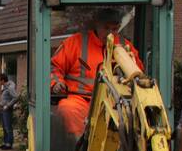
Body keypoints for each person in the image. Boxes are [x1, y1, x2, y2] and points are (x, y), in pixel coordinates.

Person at [51, 7, 143, 136]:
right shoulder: (75, 43)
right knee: (68, 109)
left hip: (114, 101)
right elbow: (54, 67)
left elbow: (138, 72)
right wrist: (56, 83)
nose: (110, 33)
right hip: (80, 99)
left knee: (132, 115)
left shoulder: (125, 47)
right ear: (96, 25)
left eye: (115, 29)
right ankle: (79, 146)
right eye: (106, 28)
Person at [0, 73, 18, 150]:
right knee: (4, 127)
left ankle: (9, 144)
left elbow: (15, 97)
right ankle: (5, 143)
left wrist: (8, 105)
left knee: (8, 127)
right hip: (3, 109)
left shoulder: (10, 87)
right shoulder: (5, 87)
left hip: (7, 110)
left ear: (2, 80)